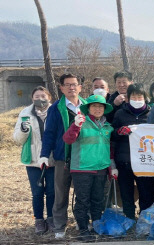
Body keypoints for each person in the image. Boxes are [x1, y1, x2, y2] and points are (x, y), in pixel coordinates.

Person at [39, 74, 87, 239]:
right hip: (63, 158)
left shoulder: (88, 106)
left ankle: (83, 223)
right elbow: (49, 133)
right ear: (61, 88)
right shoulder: (56, 108)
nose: (71, 88)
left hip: (85, 158)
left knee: (83, 193)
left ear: (80, 87)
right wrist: (45, 154)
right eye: (67, 85)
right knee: (60, 194)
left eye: (74, 84)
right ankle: (59, 225)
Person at [62, 95, 113, 241]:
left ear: (104, 109)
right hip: (82, 168)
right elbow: (68, 139)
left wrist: (111, 168)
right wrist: (75, 126)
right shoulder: (80, 122)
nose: (97, 109)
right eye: (94, 106)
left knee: (98, 199)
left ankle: (96, 226)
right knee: (83, 200)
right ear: (88, 108)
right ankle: (83, 229)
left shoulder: (107, 127)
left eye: (100, 106)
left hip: (101, 168)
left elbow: (109, 150)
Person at [111, 83, 154, 219]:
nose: (137, 99)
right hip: (125, 161)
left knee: (147, 192)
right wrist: (119, 132)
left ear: (145, 97)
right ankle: (129, 218)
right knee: (126, 192)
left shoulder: (151, 114)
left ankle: (144, 219)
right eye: (134, 96)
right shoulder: (120, 113)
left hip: (146, 161)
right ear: (128, 98)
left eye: (140, 96)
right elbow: (112, 134)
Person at [13, 86, 54, 234]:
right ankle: (39, 221)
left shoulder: (55, 111)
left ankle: (51, 219)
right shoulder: (25, 113)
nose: (40, 99)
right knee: (37, 192)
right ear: (32, 98)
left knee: (51, 192)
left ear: (49, 97)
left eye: (43, 96)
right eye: (37, 96)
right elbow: (17, 139)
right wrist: (24, 130)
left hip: (51, 159)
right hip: (33, 159)